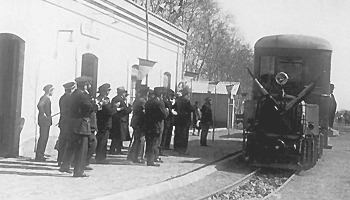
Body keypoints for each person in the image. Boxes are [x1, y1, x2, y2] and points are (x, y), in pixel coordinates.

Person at [59, 76, 94, 177]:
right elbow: (91, 107)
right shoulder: (82, 95)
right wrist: (98, 104)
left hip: (73, 124)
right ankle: (79, 171)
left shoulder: (74, 94)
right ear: (86, 85)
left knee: (71, 146)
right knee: (81, 149)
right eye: (89, 84)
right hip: (80, 125)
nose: (90, 86)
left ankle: (65, 166)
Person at [144, 87, 168, 166]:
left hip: (148, 124)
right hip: (157, 125)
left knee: (149, 143)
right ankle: (151, 161)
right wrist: (167, 112)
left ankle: (149, 160)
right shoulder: (159, 103)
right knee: (154, 144)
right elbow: (164, 115)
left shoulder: (148, 102)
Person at [127, 85, 149, 163]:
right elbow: (144, 112)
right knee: (140, 140)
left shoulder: (137, 100)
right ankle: (137, 157)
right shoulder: (142, 101)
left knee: (136, 139)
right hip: (140, 122)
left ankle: (131, 155)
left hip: (136, 121)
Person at [57, 82, 75, 166]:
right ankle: (65, 160)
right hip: (68, 122)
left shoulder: (62, 97)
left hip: (63, 121)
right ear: (71, 89)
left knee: (63, 141)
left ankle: (60, 159)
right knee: (68, 142)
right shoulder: (70, 98)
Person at [110, 86, 132, 155]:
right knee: (118, 136)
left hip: (118, 120)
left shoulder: (116, 98)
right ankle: (116, 150)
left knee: (117, 136)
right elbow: (125, 110)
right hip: (120, 120)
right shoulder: (119, 99)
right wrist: (130, 108)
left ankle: (114, 149)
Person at [35, 84, 54, 161]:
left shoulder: (46, 98)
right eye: (52, 91)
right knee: (43, 137)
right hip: (44, 121)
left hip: (45, 121)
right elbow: (39, 105)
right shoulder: (45, 98)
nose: (53, 92)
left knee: (44, 137)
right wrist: (44, 114)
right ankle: (39, 155)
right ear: (49, 91)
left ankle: (41, 154)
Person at [173, 85, 194, 155]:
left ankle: (176, 148)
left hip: (178, 119)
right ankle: (183, 150)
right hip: (185, 120)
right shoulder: (187, 100)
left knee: (178, 134)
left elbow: (174, 107)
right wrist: (195, 107)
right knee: (184, 135)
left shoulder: (178, 99)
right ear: (187, 93)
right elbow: (190, 109)